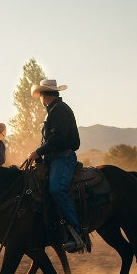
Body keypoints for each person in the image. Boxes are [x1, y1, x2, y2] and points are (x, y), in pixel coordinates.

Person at [27, 79, 89, 253]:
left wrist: (37, 152)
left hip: (63, 157)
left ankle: (76, 234)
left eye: (40, 95)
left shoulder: (59, 110)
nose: (39, 98)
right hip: (53, 158)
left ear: (44, 95)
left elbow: (58, 139)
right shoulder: (53, 111)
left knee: (57, 189)